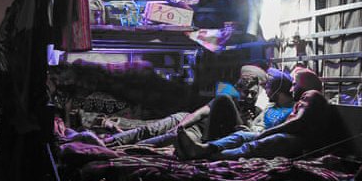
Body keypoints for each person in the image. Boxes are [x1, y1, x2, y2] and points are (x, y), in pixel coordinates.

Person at [178, 66, 330, 160]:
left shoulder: (312, 95)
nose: (292, 89)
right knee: (242, 136)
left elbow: (298, 122)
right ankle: (204, 148)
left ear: (305, 85)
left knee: (262, 142)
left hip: (297, 141)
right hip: (286, 135)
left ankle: (211, 155)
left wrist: (266, 132)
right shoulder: (275, 105)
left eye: (295, 84)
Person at [103, 64, 270, 147]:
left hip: (197, 132)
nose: (248, 96)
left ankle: (122, 148)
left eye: (252, 93)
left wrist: (245, 122)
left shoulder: (256, 112)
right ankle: (109, 141)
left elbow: (240, 134)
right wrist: (180, 126)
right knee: (148, 129)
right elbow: (200, 113)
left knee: (161, 139)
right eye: (244, 91)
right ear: (239, 88)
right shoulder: (228, 99)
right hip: (186, 119)